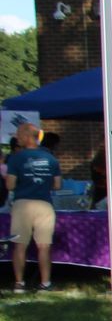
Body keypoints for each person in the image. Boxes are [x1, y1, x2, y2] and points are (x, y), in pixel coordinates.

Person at [5, 122, 61, 292]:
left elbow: (10, 185)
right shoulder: (51, 158)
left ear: (27, 136)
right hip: (45, 205)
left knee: (20, 245)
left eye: (19, 134)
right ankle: (45, 283)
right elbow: (57, 185)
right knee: (44, 246)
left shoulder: (16, 158)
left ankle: (19, 283)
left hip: (23, 204)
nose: (17, 138)